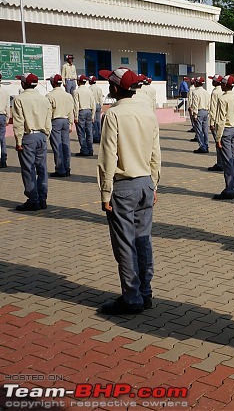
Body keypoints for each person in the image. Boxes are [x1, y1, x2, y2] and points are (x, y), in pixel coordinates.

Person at [97, 67, 161, 316]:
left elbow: (108, 157)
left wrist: (105, 192)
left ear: (115, 88)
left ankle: (131, 297)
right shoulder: (148, 113)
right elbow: (156, 154)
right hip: (145, 182)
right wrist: (154, 184)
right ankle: (145, 292)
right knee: (143, 240)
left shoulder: (113, 115)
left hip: (123, 186)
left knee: (125, 244)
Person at [12, 73, 52, 211]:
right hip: (41, 135)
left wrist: (18, 141)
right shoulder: (44, 99)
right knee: (42, 169)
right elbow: (48, 120)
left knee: (28, 169)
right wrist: (46, 135)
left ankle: (33, 199)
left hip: (28, 137)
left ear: (23, 84)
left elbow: (19, 122)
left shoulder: (19, 99)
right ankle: (43, 198)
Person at [213, 75, 234, 199]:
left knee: (227, 161)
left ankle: (229, 189)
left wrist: (218, 137)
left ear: (225, 85)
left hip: (225, 131)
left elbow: (221, 119)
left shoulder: (223, 99)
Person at [46, 74, 75, 177]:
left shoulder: (49, 96)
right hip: (65, 121)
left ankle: (60, 169)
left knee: (57, 146)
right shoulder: (68, 95)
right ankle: (67, 167)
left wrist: (47, 127)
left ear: (53, 83)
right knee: (65, 145)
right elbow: (71, 110)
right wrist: (71, 123)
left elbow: (48, 113)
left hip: (55, 121)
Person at [73, 74, 95, 156]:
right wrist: (93, 115)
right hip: (89, 111)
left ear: (78, 81)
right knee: (89, 131)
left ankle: (84, 150)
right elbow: (93, 103)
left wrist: (75, 116)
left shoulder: (76, 91)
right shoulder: (90, 91)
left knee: (81, 132)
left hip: (81, 111)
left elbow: (76, 104)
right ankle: (90, 149)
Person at [208, 75, 224, 171]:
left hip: (218, 121)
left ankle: (220, 163)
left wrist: (211, 122)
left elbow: (213, 108)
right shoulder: (224, 91)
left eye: (213, 80)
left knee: (218, 143)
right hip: (226, 122)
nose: (211, 82)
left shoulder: (215, 93)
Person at [190, 77, 211, 154]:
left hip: (199, 111)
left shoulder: (195, 92)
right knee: (205, 130)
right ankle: (206, 145)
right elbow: (209, 103)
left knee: (199, 130)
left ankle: (202, 146)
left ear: (197, 83)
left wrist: (194, 114)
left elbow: (195, 104)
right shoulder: (206, 92)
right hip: (206, 111)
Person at [89, 76, 104, 143]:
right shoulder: (99, 88)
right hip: (98, 105)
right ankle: (99, 135)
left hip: (93, 105)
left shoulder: (90, 89)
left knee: (93, 121)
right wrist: (101, 106)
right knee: (98, 122)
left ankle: (95, 136)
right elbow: (101, 98)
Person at [0, 73, 10, 168]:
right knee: (2, 139)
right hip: (2, 116)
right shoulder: (5, 92)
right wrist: (7, 118)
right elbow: (7, 106)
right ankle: (3, 160)